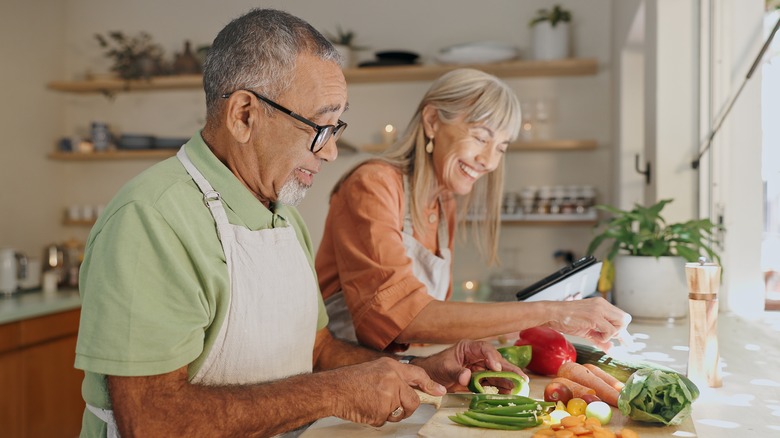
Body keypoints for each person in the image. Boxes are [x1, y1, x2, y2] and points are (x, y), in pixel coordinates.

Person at [74, 9, 524, 438]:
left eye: (336, 128)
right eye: (320, 126)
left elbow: (317, 350)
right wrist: (335, 393)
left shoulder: (284, 216)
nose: (329, 152)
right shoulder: (150, 219)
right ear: (244, 115)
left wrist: (421, 371)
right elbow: (153, 423)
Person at [315, 68, 630, 354]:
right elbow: (402, 316)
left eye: (502, 148)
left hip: (393, 374)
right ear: (433, 121)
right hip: (342, 380)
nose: (490, 161)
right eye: (481, 137)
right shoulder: (372, 185)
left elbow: (429, 325)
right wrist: (551, 311)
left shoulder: (443, 201)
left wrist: (540, 322)